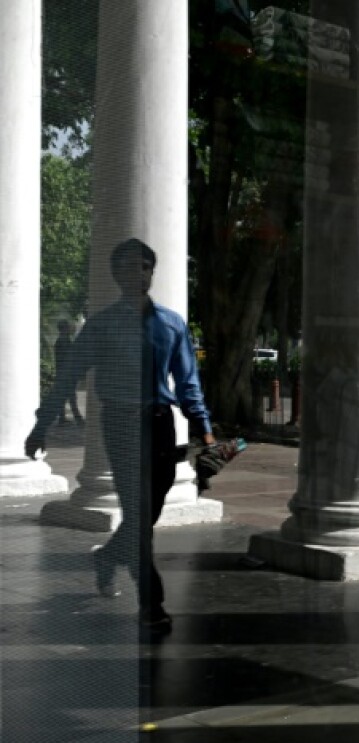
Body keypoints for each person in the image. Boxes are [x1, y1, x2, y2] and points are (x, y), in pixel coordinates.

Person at [25, 239, 215, 633]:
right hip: (121, 424)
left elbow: (187, 383)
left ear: (152, 272)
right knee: (140, 513)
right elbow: (67, 378)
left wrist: (204, 428)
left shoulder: (172, 324)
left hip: (161, 425)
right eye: (128, 267)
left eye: (144, 266)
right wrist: (42, 424)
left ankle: (109, 557)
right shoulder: (101, 325)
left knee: (147, 515)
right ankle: (152, 604)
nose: (137, 273)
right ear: (116, 274)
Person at [54, 320, 85, 424]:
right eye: (69, 327)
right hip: (66, 374)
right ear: (65, 329)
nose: (71, 329)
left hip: (63, 373)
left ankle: (63, 418)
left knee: (65, 396)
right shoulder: (64, 341)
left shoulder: (63, 340)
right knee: (71, 396)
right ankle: (77, 419)